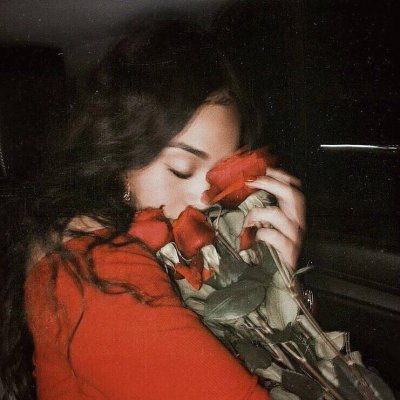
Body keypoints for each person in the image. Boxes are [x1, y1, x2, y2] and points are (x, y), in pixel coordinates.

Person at [0, 20, 305, 399]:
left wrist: (274, 281)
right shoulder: (96, 271)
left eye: (217, 179)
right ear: (120, 154)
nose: (205, 201)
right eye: (181, 169)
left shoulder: (108, 246)